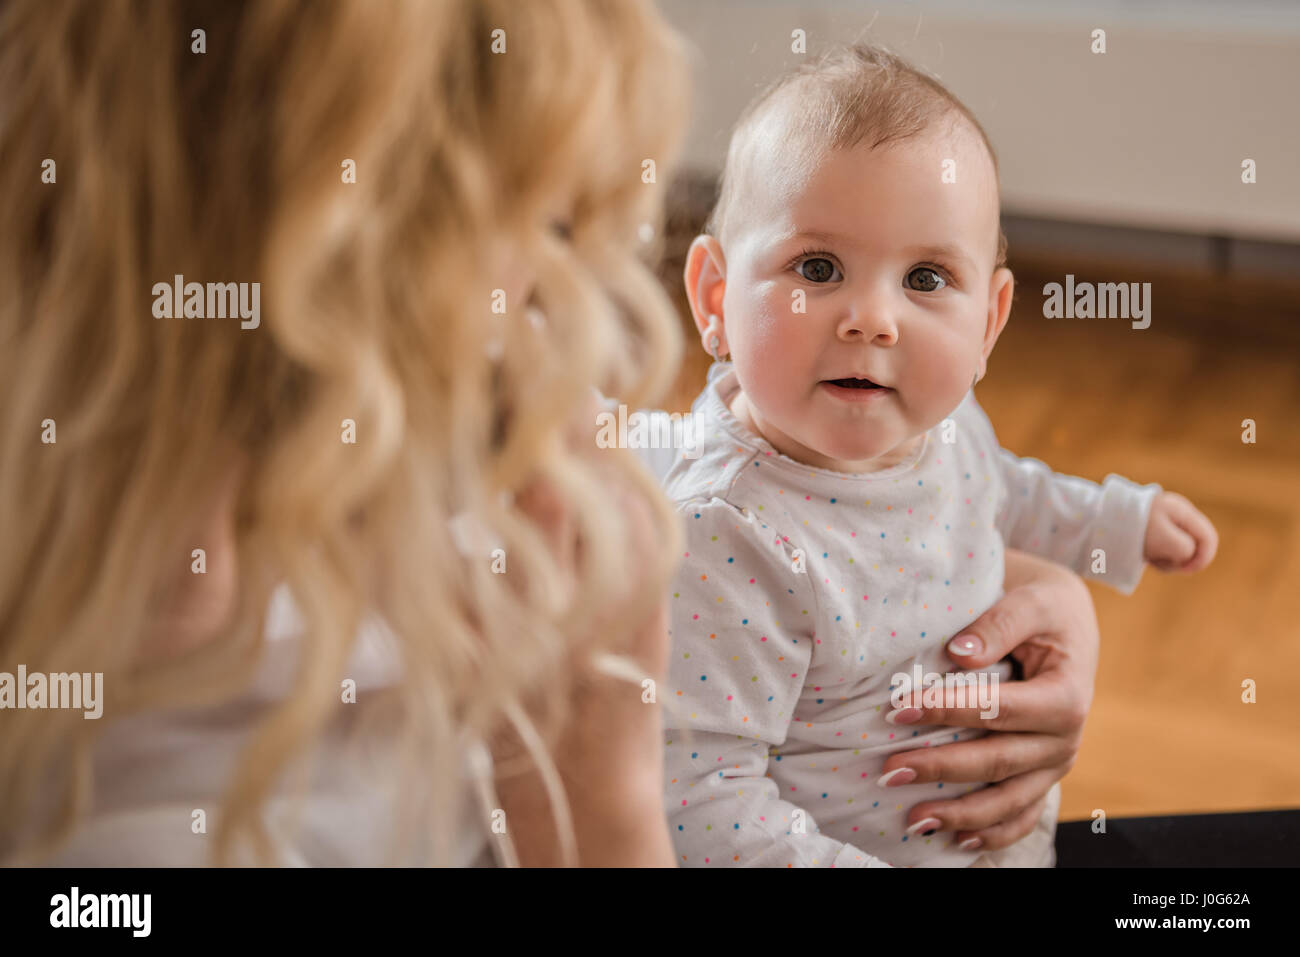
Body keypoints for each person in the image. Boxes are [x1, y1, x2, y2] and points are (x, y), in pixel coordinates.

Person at [0, 0, 1114, 867]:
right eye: (525, 217)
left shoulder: (419, 454)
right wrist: (597, 808)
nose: (556, 306)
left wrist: (1024, 596)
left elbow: (817, 539)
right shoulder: (131, 833)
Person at [659, 43, 1217, 866]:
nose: (873, 319)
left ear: (989, 322)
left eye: (925, 278)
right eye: (818, 267)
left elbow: (1009, 494)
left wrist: (1118, 518)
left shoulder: (944, 425)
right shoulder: (724, 533)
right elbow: (700, 804)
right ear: (715, 298)